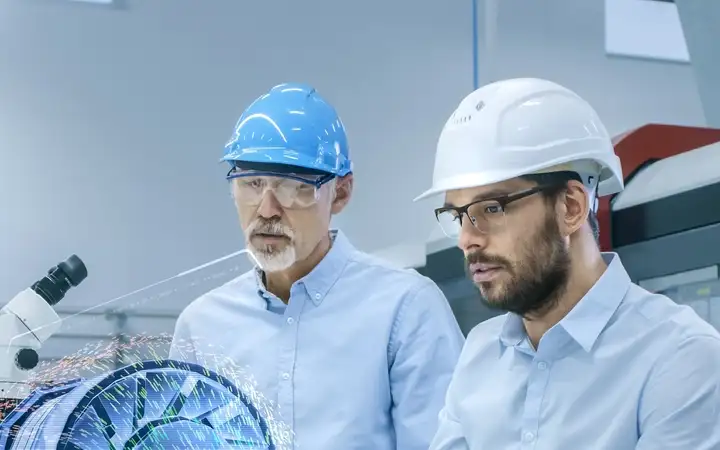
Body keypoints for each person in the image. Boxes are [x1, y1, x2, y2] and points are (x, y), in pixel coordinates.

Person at [415, 78, 720, 449]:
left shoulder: (681, 358)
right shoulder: (480, 352)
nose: (467, 239)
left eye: (492, 208)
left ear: (571, 207)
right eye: (458, 216)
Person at [169, 83, 464, 450]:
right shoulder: (202, 326)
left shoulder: (404, 310)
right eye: (251, 184)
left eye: (294, 187)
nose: (266, 209)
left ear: (340, 193)